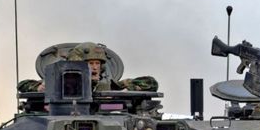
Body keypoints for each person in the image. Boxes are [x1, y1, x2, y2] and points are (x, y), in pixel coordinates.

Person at [17, 42, 159, 94]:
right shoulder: (60, 86)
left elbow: (151, 83)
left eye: (97, 63)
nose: (95, 67)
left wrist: (127, 90)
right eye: (90, 64)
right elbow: (22, 85)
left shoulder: (109, 86)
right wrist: (38, 88)